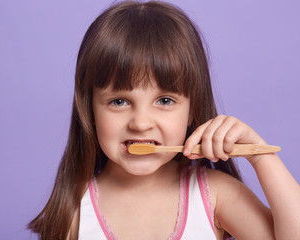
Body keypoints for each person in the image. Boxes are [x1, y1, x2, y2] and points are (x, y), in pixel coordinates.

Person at [28, 1, 300, 239]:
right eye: (119, 101)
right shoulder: (76, 208)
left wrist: (262, 157)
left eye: (165, 101)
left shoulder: (215, 195)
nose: (141, 123)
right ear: (90, 111)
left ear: (192, 109)